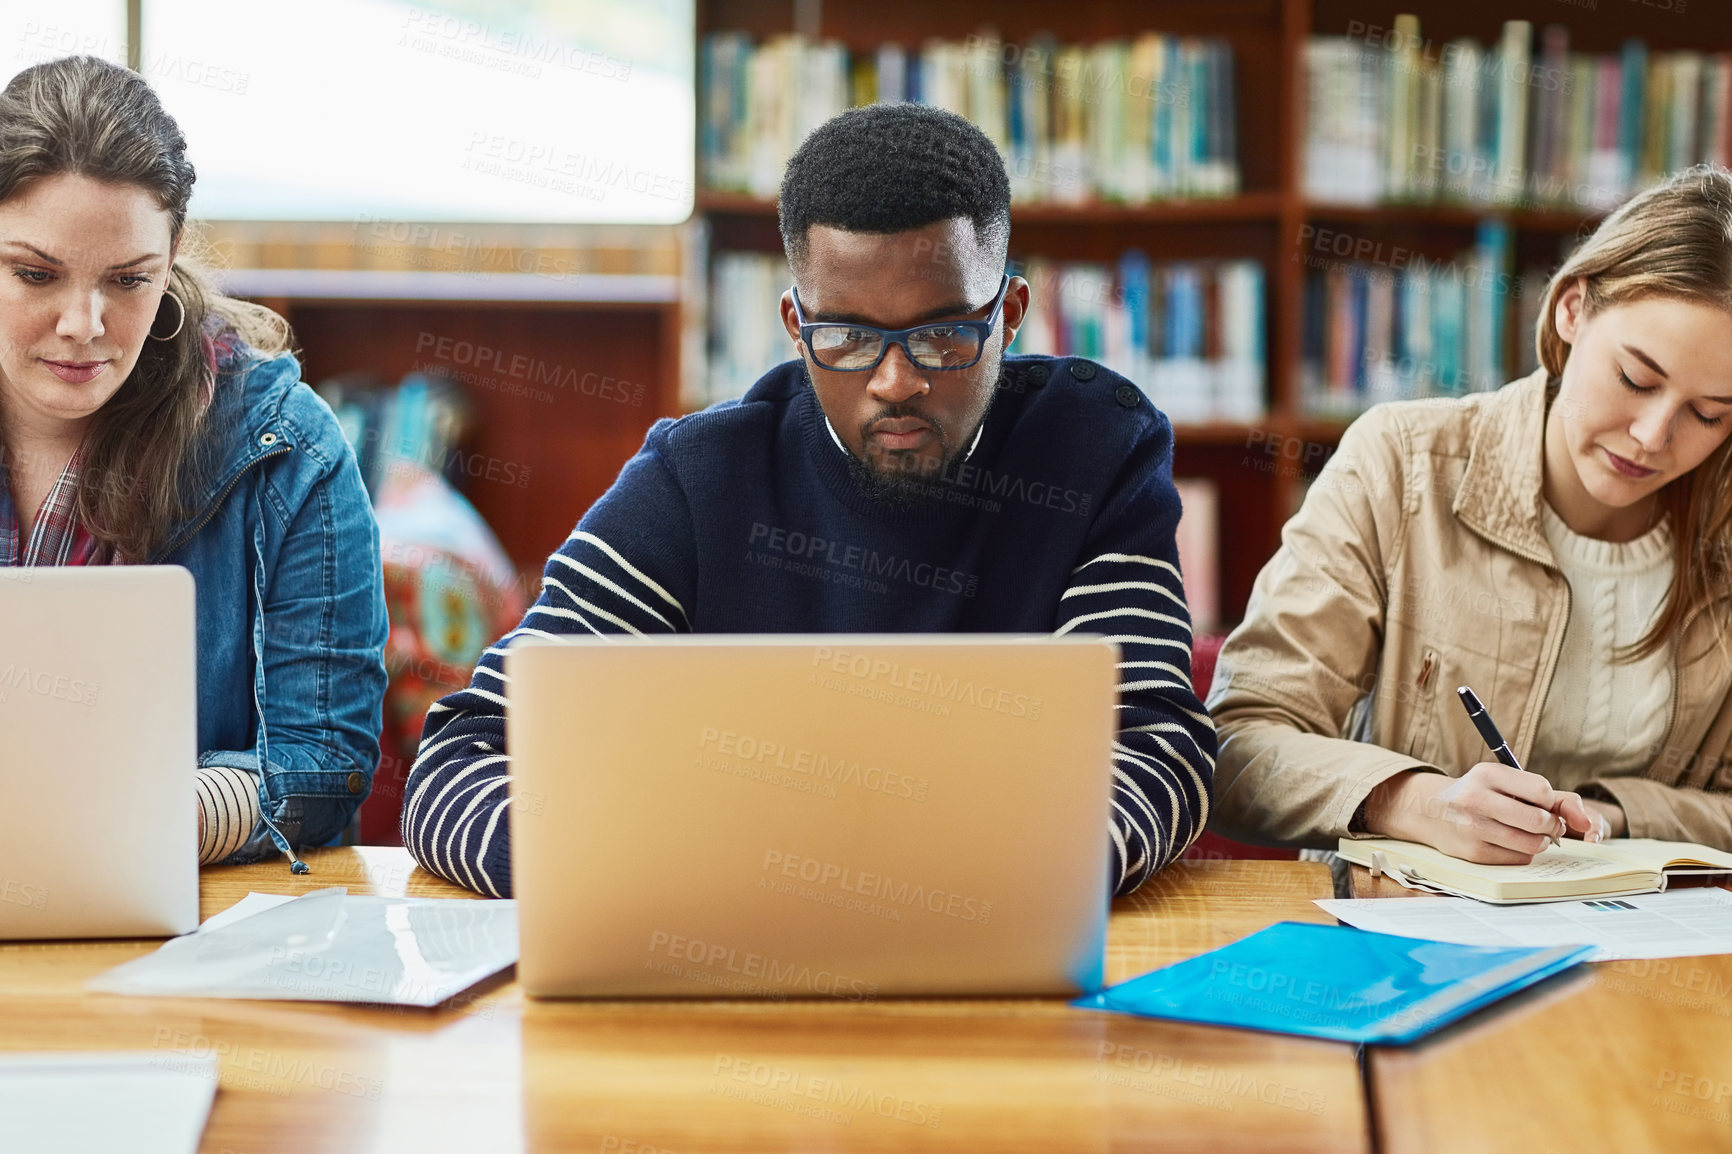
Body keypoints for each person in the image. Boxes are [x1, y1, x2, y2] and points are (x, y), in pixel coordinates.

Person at [404, 102, 1216, 898]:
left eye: (942, 335)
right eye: (849, 339)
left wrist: (1011, 878)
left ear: (1007, 315)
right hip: (717, 937)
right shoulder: (697, 479)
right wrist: (634, 868)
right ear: (796, 325)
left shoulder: (1096, 448)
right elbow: (462, 758)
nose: (897, 382)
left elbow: (1156, 744)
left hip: (995, 927)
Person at [1209, 165, 1732, 862]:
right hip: (1403, 934)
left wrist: (1618, 815)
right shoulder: (1400, 461)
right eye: (1635, 379)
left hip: (1647, 943)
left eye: (1710, 413)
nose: (1652, 436)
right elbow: (1238, 744)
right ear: (1572, 309)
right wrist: (1416, 801)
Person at [0, 57, 388, 869]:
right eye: (35, 275)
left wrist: (134, 819)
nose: (83, 324)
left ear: (173, 250)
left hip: (187, 914)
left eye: (129, 280)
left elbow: (324, 766)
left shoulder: (287, 451)